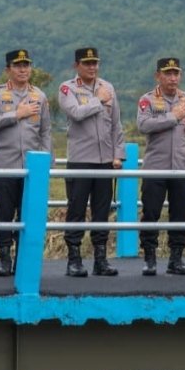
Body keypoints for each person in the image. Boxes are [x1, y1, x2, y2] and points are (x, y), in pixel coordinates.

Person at [0, 49, 53, 277]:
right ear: (8, 69)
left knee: (28, 214)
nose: (23, 70)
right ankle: (4, 259)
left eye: (26, 65)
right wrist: (16, 114)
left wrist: (46, 159)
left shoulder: (39, 96)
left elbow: (46, 131)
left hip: (32, 168)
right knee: (4, 213)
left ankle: (23, 260)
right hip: (6, 165)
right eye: (18, 66)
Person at [58, 47, 125, 278]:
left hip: (105, 160)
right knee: (76, 209)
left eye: (95, 63)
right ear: (76, 65)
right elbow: (76, 113)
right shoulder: (68, 88)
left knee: (102, 211)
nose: (92, 67)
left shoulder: (108, 88)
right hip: (80, 160)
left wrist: (118, 154)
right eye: (87, 63)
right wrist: (98, 100)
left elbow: (116, 125)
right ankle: (74, 259)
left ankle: (100, 260)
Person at [137, 57, 185, 276]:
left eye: (176, 73)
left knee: (180, 214)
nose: (173, 78)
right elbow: (143, 125)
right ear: (158, 76)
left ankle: (176, 259)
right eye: (168, 73)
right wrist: (172, 117)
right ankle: (149, 258)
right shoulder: (147, 100)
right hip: (155, 168)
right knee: (151, 213)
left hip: (182, 167)